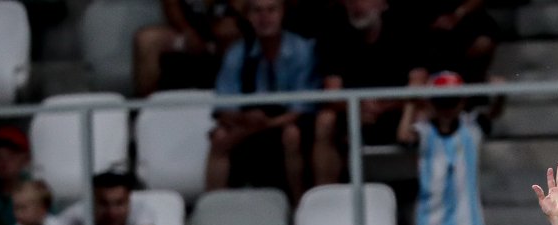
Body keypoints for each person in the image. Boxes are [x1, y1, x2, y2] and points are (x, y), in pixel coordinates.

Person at [207, 0, 318, 203]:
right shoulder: (237, 53)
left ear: (283, 13)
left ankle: (299, 205)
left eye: (271, 10)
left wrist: (267, 123)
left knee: (292, 134)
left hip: (287, 121)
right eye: (257, 11)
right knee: (220, 136)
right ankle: (213, 207)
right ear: (248, 16)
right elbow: (224, 106)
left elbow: (302, 108)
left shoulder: (302, 50)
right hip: (248, 120)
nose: (264, 17)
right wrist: (243, 119)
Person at [311, 0, 427, 187]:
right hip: (353, 113)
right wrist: (357, 107)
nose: (357, 5)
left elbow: (419, 82)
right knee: (325, 120)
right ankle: (326, 196)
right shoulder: (334, 34)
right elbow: (332, 92)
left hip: (397, 110)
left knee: (423, 113)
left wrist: (385, 104)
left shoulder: (406, 30)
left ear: (383, 4)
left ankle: (429, 193)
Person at [400, 70, 484, 225]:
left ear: (462, 101)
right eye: (441, 102)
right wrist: (411, 103)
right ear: (431, 102)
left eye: (452, 102)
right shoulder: (424, 130)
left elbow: (495, 111)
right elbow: (404, 136)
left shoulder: (472, 128)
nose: (447, 109)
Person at [132, 0, 245, 96]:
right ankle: (147, 106)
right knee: (147, 40)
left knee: (230, 34)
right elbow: (171, 7)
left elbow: (237, 13)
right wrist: (188, 32)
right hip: (188, 34)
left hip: (222, 35)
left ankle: (231, 101)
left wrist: (215, 34)